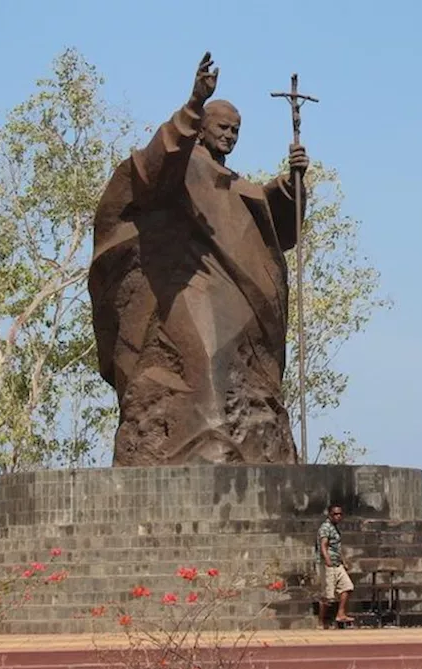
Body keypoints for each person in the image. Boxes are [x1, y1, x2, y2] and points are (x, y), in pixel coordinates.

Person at [88, 52, 309, 466]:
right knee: (206, 364)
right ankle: (202, 453)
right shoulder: (184, 168)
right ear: (203, 130)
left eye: (237, 131)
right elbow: (154, 167)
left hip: (235, 298)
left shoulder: (231, 183)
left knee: (244, 378)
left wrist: (291, 185)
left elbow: (269, 218)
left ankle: (245, 453)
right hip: (185, 288)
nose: (230, 135)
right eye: (222, 127)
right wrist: (192, 104)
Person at [318, 505, 355, 628]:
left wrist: (343, 561)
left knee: (348, 587)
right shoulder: (325, 527)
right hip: (328, 564)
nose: (338, 516)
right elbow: (323, 545)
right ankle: (321, 621)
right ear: (329, 514)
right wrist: (327, 559)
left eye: (340, 514)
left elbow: (337, 547)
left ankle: (340, 613)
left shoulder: (335, 528)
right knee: (328, 596)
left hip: (337, 563)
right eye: (335, 514)